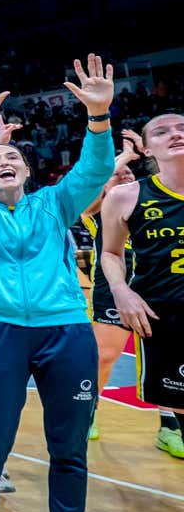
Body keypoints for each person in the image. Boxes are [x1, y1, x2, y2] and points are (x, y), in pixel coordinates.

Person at [0, 59, 115, 512]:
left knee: (69, 448)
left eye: (13, 157)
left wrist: (99, 117)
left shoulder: (55, 204)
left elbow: (96, 169)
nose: (5, 161)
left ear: (26, 170)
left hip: (65, 332)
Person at [80, 130, 184, 455]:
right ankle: (88, 414)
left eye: (128, 172)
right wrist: (123, 157)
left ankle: (169, 427)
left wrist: (150, 155)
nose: (124, 174)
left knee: (167, 361)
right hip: (113, 292)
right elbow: (90, 196)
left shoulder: (146, 199)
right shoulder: (99, 211)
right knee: (105, 356)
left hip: (158, 291)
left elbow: (167, 179)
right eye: (117, 173)